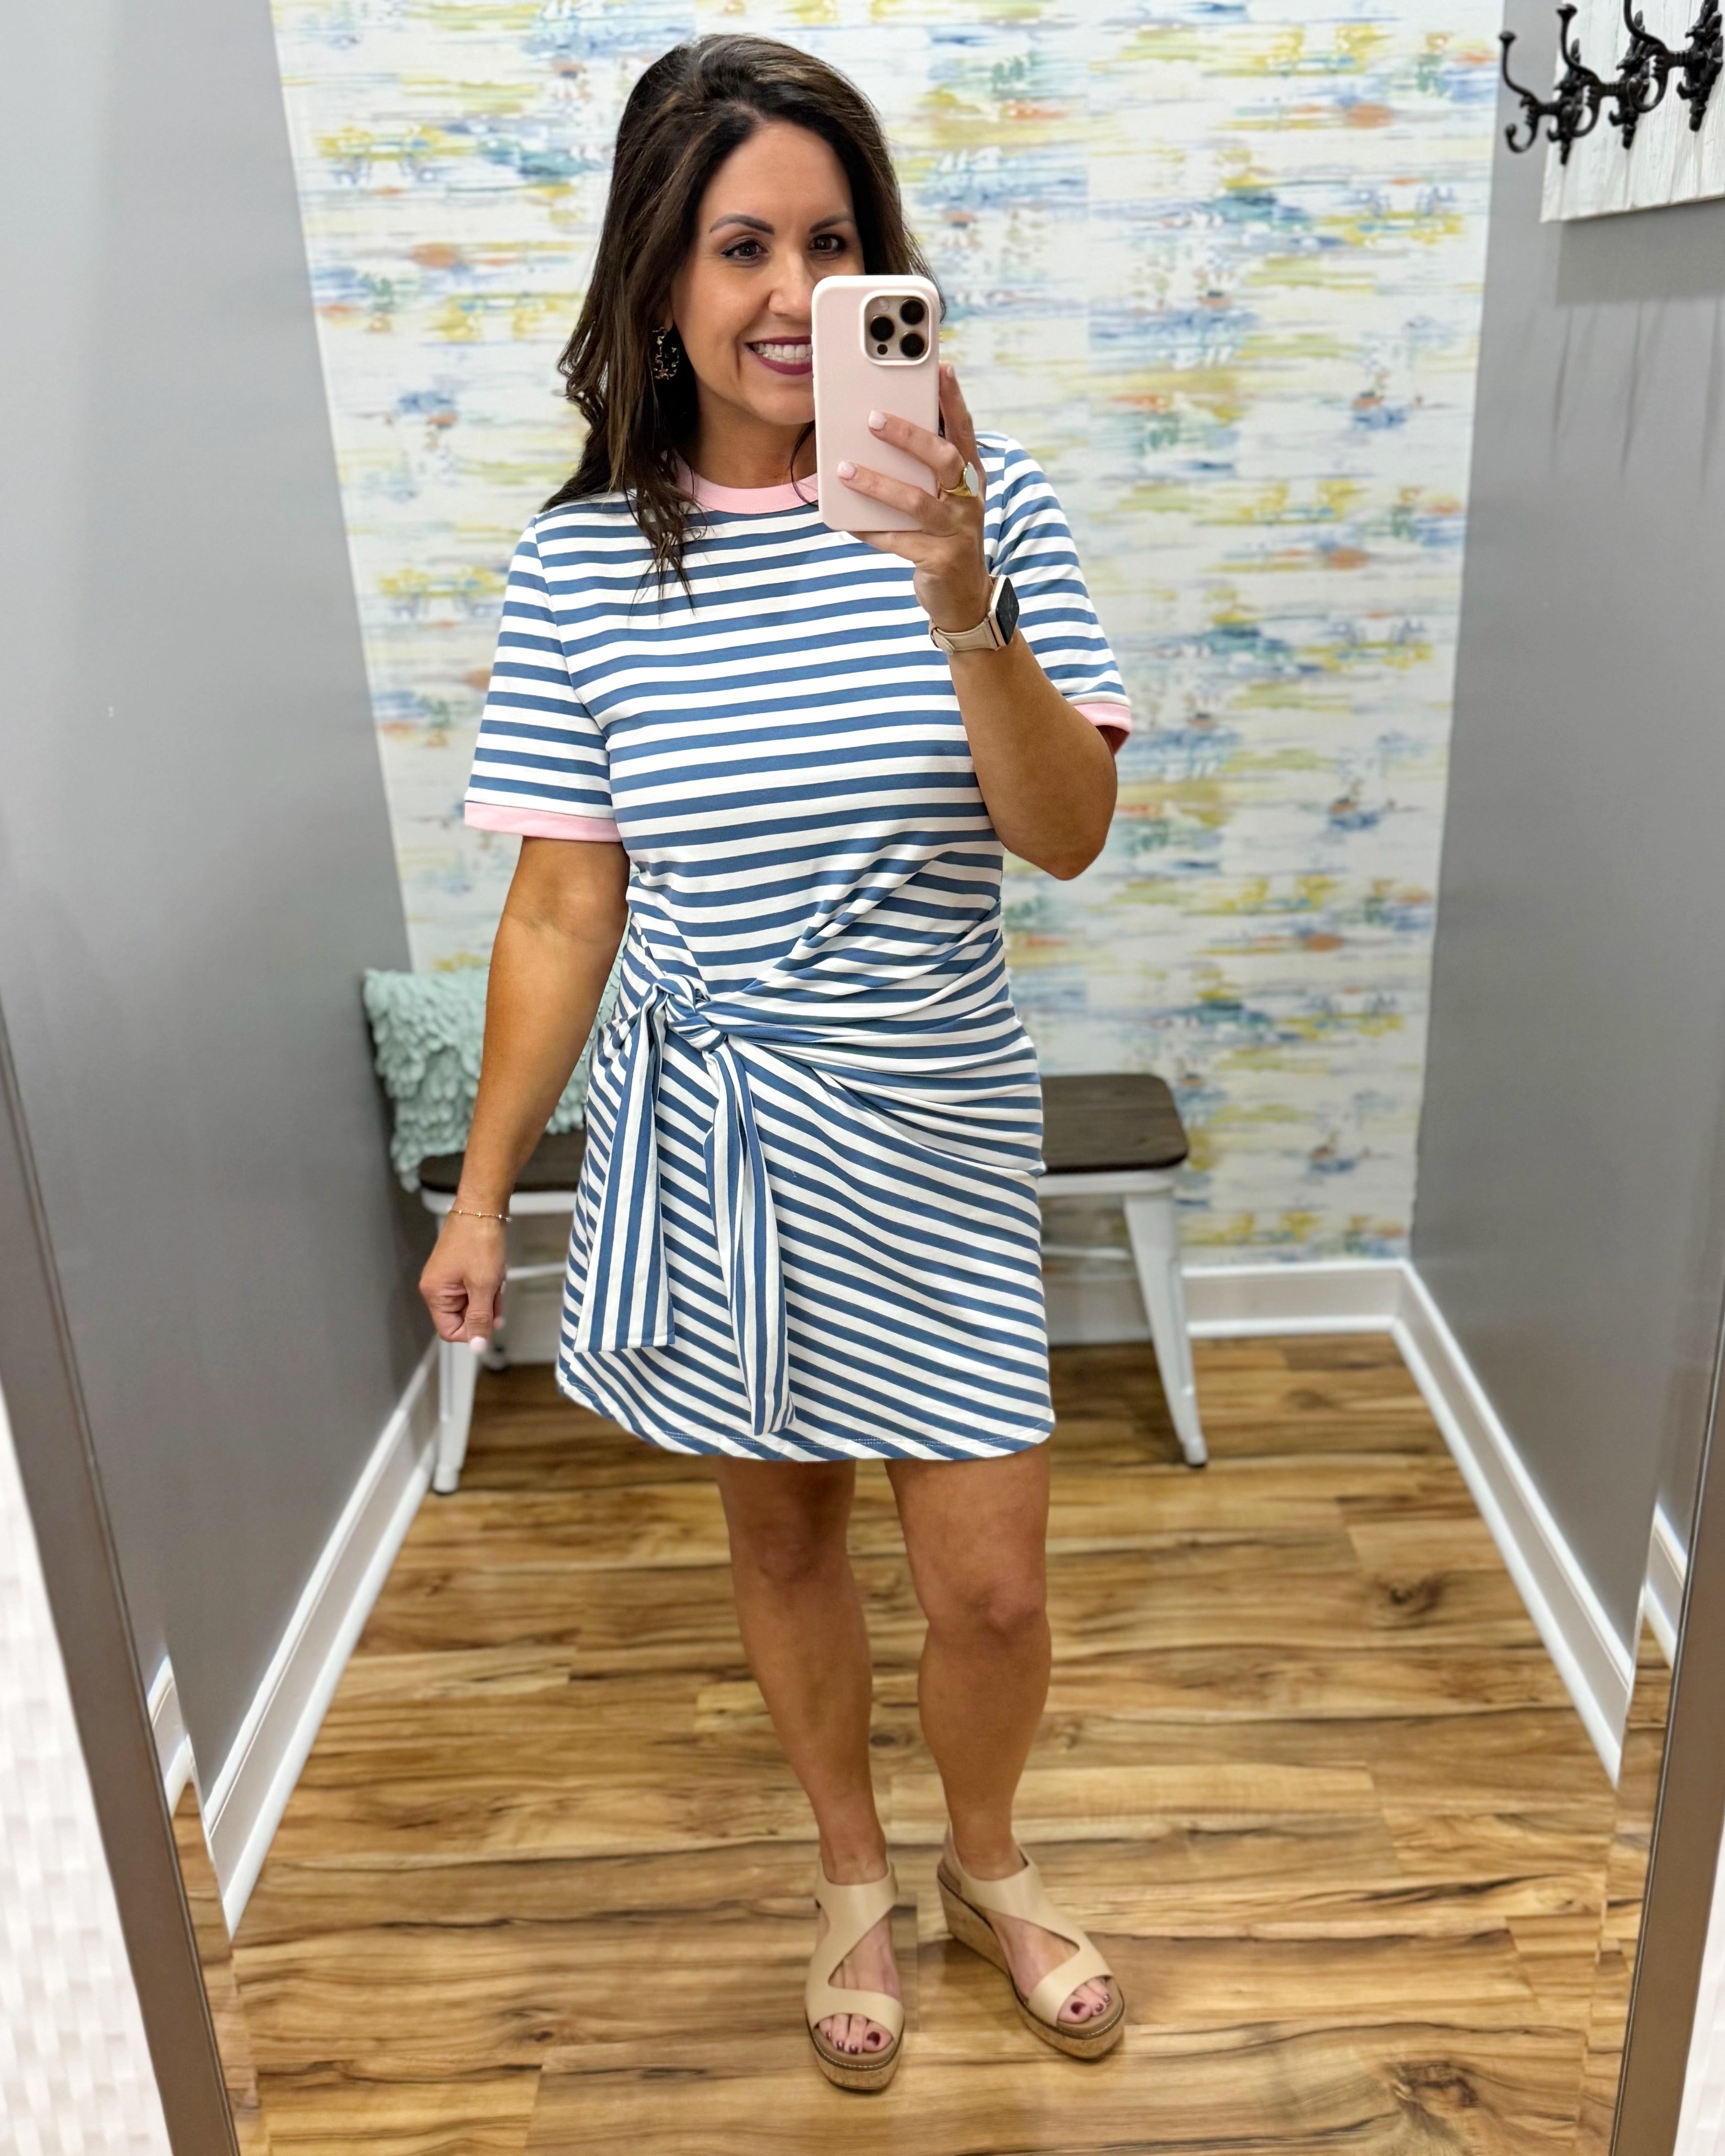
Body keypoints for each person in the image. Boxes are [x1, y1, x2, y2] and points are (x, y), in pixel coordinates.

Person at [420, 33, 1130, 2093]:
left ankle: (986, 1860)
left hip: (933, 1118)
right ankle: (848, 1876)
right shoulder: (581, 564)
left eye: (833, 246)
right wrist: (482, 1195)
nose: (790, 293)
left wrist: (961, 594)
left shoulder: (991, 514)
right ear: (660, 277)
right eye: (742, 246)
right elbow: (564, 909)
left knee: (989, 1589)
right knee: (780, 1538)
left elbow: (1066, 834)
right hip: (717, 1130)